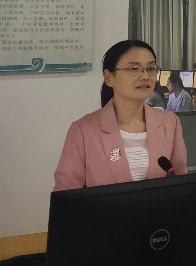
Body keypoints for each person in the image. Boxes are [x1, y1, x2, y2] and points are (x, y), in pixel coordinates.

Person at [53, 40, 188, 190]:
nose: (145, 76)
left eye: (150, 68)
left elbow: (181, 182)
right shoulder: (83, 130)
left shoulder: (170, 123)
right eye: (134, 69)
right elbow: (66, 193)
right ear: (109, 77)